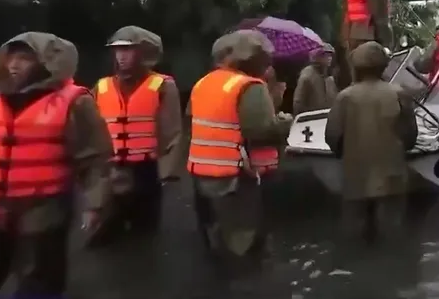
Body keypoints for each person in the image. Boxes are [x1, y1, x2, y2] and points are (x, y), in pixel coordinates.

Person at [0, 33, 113, 299]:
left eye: (25, 58)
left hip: (43, 210)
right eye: (11, 57)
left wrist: (95, 203)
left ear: (46, 63)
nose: (14, 65)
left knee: (38, 280)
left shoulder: (74, 101)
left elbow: (94, 157)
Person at [187, 30, 293, 270]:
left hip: (201, 174)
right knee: (244, 243)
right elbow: (261, 131)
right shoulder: (249, 86)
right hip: (235, 177)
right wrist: (285, 122)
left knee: (213, 238)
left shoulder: (203, 83)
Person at [86, 26, 183, 247]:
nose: (121, 56)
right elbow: (89, 128)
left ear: (143, 52)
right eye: (117, 50)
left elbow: (172, 131)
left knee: (144, 234)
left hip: (146, 169)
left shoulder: (162, 85)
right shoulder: (102, 86)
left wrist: (166, 171)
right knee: (104, 238)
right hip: (110, 169)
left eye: (128, 50)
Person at [325, 42, 418, 243]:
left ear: (356, 67)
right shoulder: (399, 94)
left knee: (355, 238)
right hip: (392, 180)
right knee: (391, 236)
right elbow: (410, 137)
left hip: (355, 180)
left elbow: (332, 137)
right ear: (384, 66)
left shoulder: (344, 97)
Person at [294, 44, 338, 114]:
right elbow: (298, 102)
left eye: (330, 55)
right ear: (316, 56)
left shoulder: (329, 78)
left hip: (326, 116)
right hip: (311, 117)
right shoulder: (307, 76)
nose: (329, 58)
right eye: (325, 55)